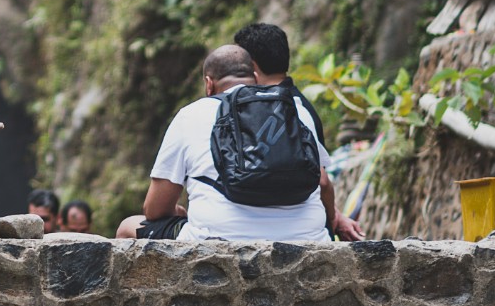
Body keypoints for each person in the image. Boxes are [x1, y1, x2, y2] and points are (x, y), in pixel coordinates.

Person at [116, 45, 333, 243]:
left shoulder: (190, 115)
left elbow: (155, 210)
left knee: (128, 227)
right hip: (308, 237)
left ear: (209, 84)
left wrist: (179, 211)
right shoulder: (296, 110)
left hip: (215, 237)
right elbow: (323, 182)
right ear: (255, 78)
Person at [232, 21, 362, 240]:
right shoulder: (300, 105)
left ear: (251, 66)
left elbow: (321, 181)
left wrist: (331, 217)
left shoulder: (281, 110)